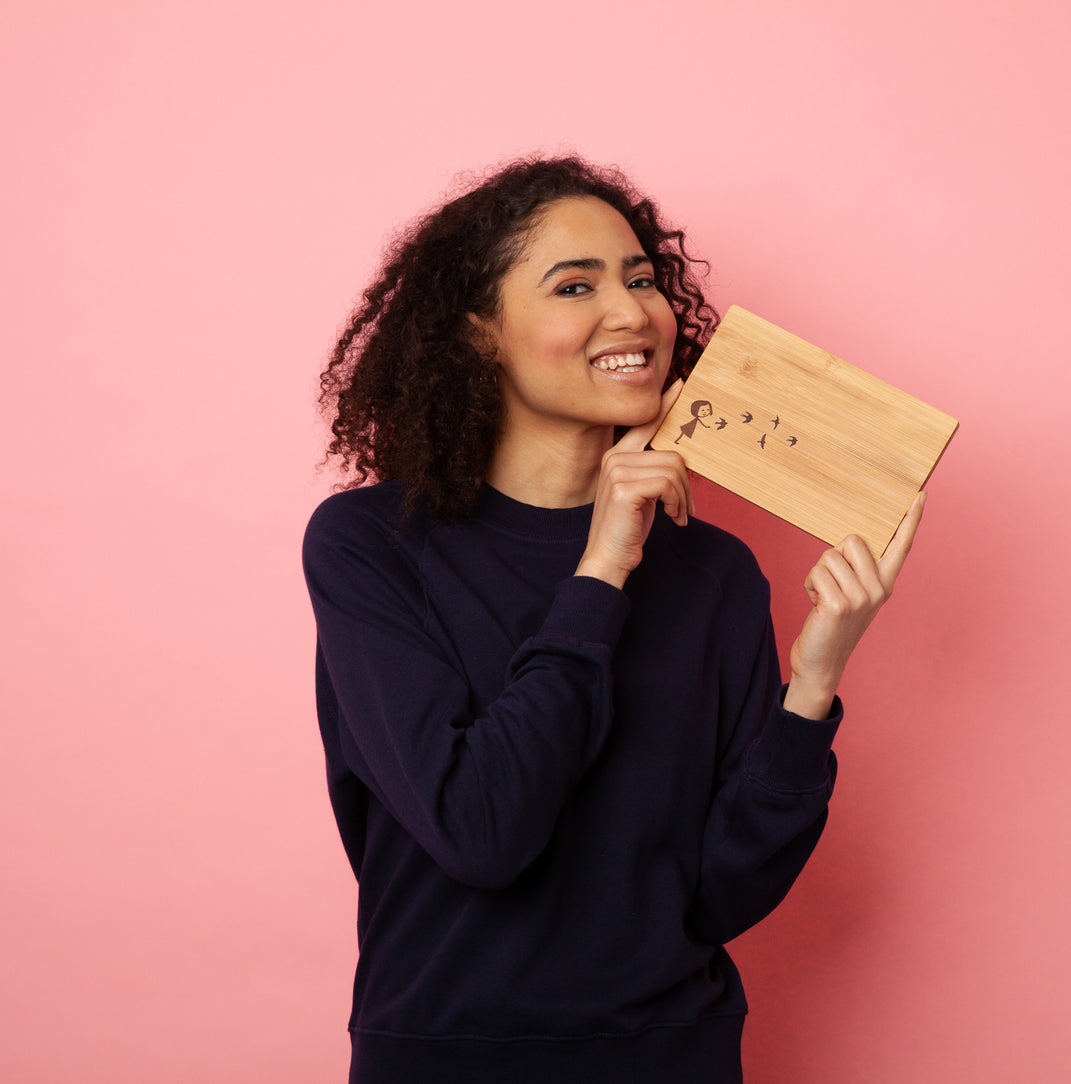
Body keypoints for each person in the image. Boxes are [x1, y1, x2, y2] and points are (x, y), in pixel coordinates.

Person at [303, 155, 924, 1083]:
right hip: (442, 1057)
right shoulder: (372, 547)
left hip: (672, 1056)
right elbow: (479, 831)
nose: (632, 313)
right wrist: (602, 567)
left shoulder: (716, 575)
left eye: (641, 279)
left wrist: (814, 687)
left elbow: (718, 897)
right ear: (478, 332)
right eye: (574, 285)